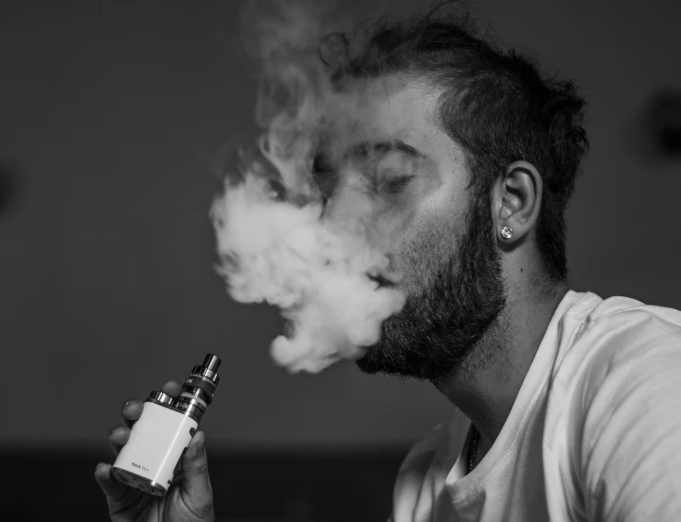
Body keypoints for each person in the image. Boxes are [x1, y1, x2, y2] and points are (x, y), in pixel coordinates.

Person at [95, 7, 681, 522]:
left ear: (513, 203)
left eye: (390, 181)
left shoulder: (645, 385)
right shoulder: (426, 479)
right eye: (329, 190)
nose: (332, 226)